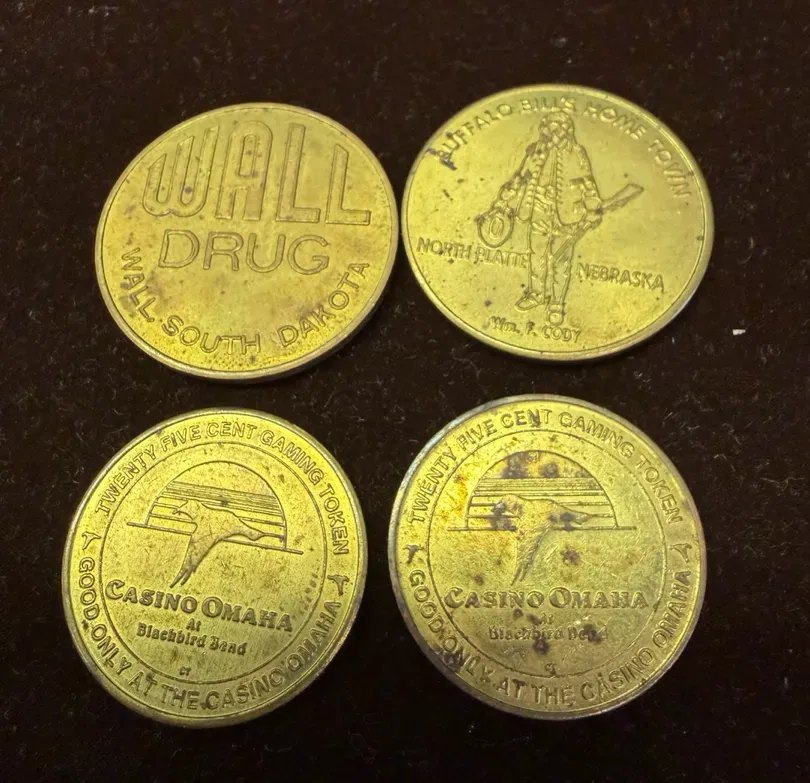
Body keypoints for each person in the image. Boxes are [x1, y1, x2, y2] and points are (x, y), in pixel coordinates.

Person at [485, 112, 603, 324]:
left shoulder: (577, 153)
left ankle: (556, 304)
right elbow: (520, 178)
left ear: (568, 129)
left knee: (561, 260)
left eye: (560, 126)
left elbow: (588, 182)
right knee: (536, 256)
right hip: (538, 211)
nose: (555, 131)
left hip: (567, 216)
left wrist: (593, 211)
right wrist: (502, 201)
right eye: (551, 126)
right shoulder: (535, 151)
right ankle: (536, 294)